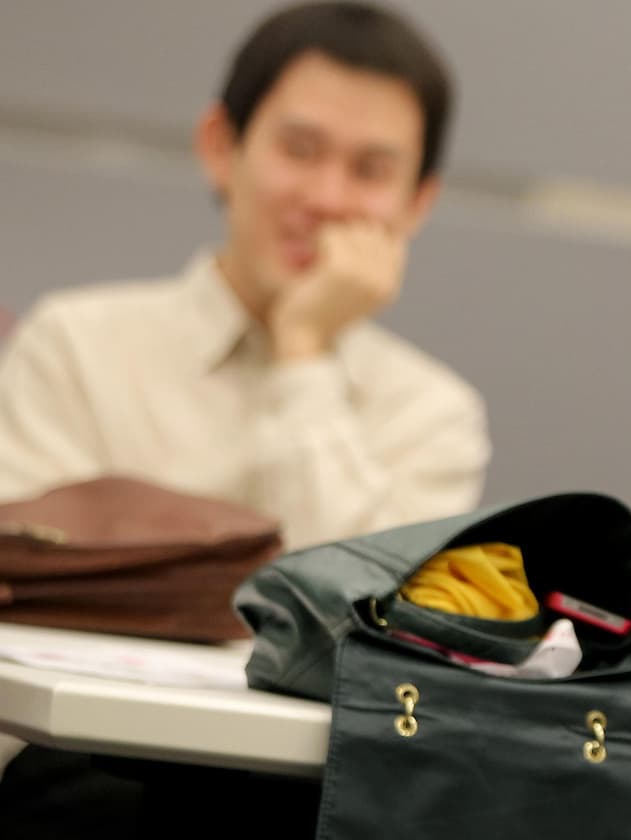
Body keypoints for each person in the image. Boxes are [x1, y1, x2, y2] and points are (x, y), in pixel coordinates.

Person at [0, 1, 487, 550]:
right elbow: (27, 581)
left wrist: (303, 348)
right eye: (299, 150)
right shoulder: (73, 350)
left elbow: (356, 615)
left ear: (418, 202)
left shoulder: (432, 416)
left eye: (370, 171)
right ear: (219, 146)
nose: (327, 198)